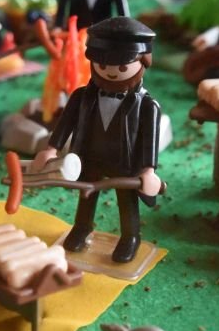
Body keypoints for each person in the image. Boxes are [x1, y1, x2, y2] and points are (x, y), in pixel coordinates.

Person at [31, 16, 162, 263]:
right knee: (86, 195)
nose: (111, 72)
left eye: (122, 67)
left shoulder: (147, 105)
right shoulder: (81, 96)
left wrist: (148, 171)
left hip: (125, 163)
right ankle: (82, 227)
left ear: (143, 62)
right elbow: (65, 124)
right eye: (102, 64)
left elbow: (149, 141)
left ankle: (130, 237)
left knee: (126, 201)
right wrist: (51, 149)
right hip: (88, 157)